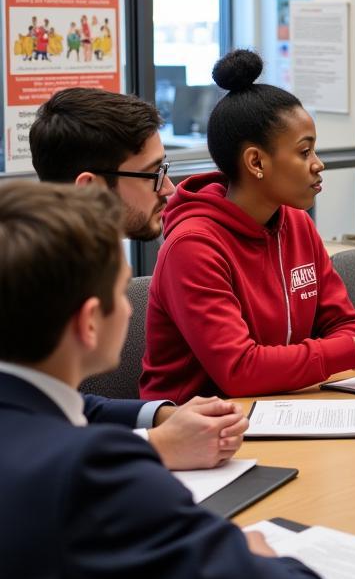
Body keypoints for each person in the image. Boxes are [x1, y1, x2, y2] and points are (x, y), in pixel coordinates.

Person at [0, 180, 349, 579]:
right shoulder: (91, 470)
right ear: (90, 323)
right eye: (122, 291)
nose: (134, 305)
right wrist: (257, 559)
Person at [140, 49, 355, 402]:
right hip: (199, 426)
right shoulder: (192, 246)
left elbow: (346, 325)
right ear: (256, 161)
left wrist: (301, 363)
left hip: (290, 402)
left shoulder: (297, 224)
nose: (318, 165)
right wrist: (346, 353)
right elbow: (240, 371)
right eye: (304, 152)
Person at [30, 87, 248, 471]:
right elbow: (20, 436)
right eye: (153, 174)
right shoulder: (23, 284)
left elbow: (61, 403)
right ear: (90, 188)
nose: (169, 188)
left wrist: (163, 417)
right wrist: (155, 445)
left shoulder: (73, 267)